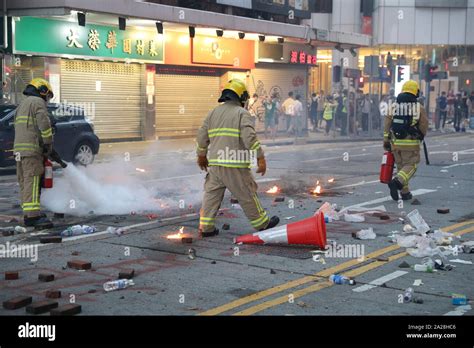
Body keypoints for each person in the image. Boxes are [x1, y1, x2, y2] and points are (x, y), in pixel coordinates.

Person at [196, 79, 279, 237]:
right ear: (241, 97)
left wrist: (201, 155)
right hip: (235, 165)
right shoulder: (242, 113)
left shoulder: (213, 112)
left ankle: (206, 228)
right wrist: (260, 158)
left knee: (211, 196)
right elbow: (250, 138)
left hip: (215, 165)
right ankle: (262, 224)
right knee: (247, 195)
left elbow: (202, 135)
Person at [14, 78, 54, 228]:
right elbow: (44, 125)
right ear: (42, 90)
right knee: (33, 180)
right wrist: (48, 143)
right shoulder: (38, 102)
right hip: (31, 150)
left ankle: (29, 212)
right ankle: (33, 217)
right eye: (48, 95)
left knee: (25, 181)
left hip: (19, 150)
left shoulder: (22, 105)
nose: (47, 99)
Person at [383, 80, 428, 201]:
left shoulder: (393, 106)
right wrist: (420, 135)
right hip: (411, 144)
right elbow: (424, 125)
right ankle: (397, 183)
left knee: (401, 167)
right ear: (415, 92)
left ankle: (405, 193)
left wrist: (386, 140)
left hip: (395, 143)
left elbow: (387, 124)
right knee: (411, 166)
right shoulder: (419, 108)